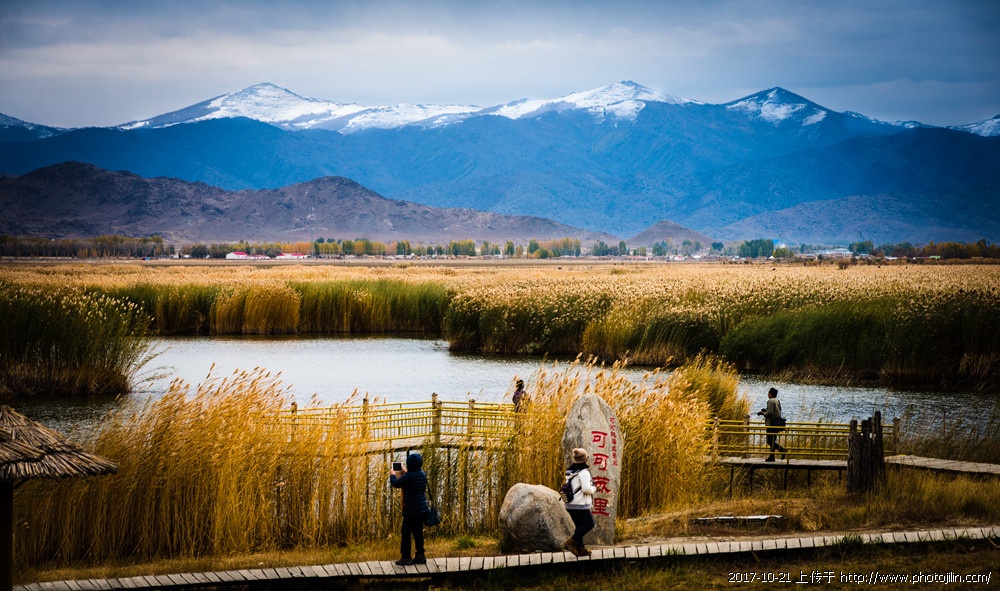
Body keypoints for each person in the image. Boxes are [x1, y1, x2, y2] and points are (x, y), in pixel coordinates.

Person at [389, 452, 429, 565]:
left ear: (409, 464)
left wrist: (392, 474)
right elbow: (412, 477)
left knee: (406, 532)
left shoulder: (408, 477)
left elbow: (396, 483)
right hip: (422, 509)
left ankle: (406, 556)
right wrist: (405, 470)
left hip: (411, 510)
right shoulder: (422, 474)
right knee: (418, 533)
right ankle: (420, 555)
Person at [562, 447, 597, 556]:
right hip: (580, 504)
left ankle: (581, 549)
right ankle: (571, 541)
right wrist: (595, 488)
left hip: (570, 504)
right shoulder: (584, 472)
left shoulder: (570, 471)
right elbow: (586, 489)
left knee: (579, 525)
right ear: (586, 459)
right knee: (589, 524)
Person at [757, 387, 787, 462]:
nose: (768, 394)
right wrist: (766, 411)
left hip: (771, 424)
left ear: (770, 394)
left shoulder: (770, 401)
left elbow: (770, 412)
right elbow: (776, 411)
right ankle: (772, 456)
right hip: (776, 424)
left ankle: (782, 450)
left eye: (768, 393)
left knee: (769, 441)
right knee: (773, 440)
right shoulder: (777, 401)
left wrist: (763, 413)